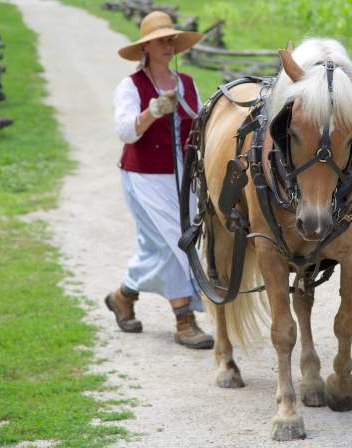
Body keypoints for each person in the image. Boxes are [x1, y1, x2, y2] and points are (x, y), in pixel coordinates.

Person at [106, 11, 213, 349]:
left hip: (183, 179)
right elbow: (124, 131)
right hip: (143, 176)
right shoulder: (131, 86)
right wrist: (151, 112)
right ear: (146, 47)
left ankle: (123, 295)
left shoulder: (188, 84)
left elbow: (200, 126)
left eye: (171, 40)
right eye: (161, 40)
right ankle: (185, 320)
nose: (168, 45)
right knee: (173, 241)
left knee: (158, 246)